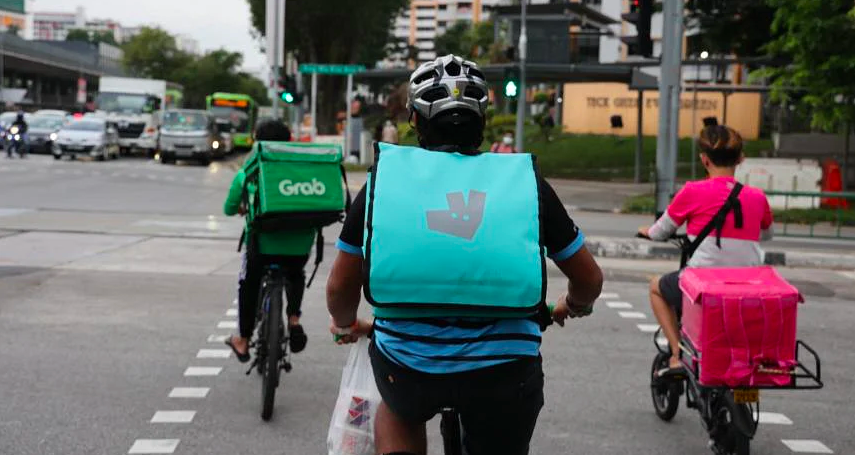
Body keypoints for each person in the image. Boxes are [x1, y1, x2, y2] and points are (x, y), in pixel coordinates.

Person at [326, 54, 603, 455]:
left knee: (397, 408)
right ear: (483, 121)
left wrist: (344, 322)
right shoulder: (525, 183)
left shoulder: (383, 183)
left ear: (416, 122)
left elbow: (340, 286)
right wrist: (574, 305)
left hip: (408, 370)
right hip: (506, 373)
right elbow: (589, 279)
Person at [638, 125, 773, 376]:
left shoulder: (692, 191)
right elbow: (767, 234)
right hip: (749, 285)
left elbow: (660, 231)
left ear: (704, 159)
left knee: (657, 287)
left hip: (704, 285)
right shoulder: (757, 196)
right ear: (740, 159)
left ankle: (677, 355)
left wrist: (648, 231)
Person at [222, 119, 314, 361]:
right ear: (289, 141)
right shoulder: (306, 169)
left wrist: (244, 207)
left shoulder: (250, 171)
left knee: (249, 283)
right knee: (295, 274)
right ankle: (294, 320)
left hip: (262, 247)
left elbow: (229, 208)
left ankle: (242, 340)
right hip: (300, 246)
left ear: (257, 141)